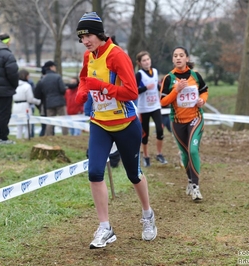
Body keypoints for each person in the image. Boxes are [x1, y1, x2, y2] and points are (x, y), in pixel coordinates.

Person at [75, 12, 157, 249]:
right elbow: (83, 78)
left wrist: (102, 86)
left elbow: (131, 92)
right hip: (99, 123)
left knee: (133, 174)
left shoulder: (117, 55)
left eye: (88, 35)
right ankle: (105, 227)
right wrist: (83, 91)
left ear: (99, 33)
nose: (85, 41)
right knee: (95, 172)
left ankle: (148, 215)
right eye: (82, 37)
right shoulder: (87, 56)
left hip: (125, 124)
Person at [160, 46, 208, 201]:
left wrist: (202, 101)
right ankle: (189, 180)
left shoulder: (195, 75)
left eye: (181, 55)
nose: (178, 58)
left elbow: (204, 90)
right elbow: (163, 102)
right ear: (173, 59)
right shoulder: (169, 78)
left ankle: (196, 187)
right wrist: (176, 90)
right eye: (175, 56)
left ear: (187, 58)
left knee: (193, 150)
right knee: (185, 155)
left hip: (195, 118)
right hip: (177, 121)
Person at [135, 51, 167, 167]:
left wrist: (164, 90)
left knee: (160, 130)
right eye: (144, 60)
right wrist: (145, 88)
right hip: (143, 109)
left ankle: (159, 154)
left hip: (155, 106)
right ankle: (146, 156)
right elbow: (134, 90)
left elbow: (156, 85)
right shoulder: (139, 75)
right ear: (139, 63)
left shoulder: (155, 71)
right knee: (145, 134)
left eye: (148, 59)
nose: (147, 62)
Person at [35, 60, 68, 136]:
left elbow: (41, 92)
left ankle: (48, 136)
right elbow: (63, 89)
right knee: (64, 120)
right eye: (54, 66)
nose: (55, 68)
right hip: (59, 101)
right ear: (51, 67)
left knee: (50, 121)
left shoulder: (43, 79)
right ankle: (65, 135)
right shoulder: (57, 77)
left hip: (49, 102)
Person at [12, 69, 41, 139]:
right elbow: (30, 99)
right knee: (28, 126)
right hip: (25, 107)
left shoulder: (14, 85)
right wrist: (38, 102)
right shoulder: (27, 86)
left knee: (19, 126)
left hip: (15, 106)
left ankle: (18, 139)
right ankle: (27, 139)